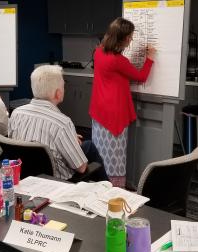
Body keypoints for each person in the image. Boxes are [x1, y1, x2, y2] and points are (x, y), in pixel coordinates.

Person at [9, 64, 108, 182]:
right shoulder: (62, 123)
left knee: (87, 146)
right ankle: (110, 192)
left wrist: (68, 137)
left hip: (25, 177)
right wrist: (68, 136)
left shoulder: (16, 113)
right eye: (63, 87)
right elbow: (81, 168)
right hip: (57, 182)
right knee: (89, 148)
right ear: (58, 93)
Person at [89, 17, 156, 188]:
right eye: (130, 36)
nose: (132, 39)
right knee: (115, 157)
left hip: (99, 111)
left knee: (100, 152)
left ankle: (100, 185)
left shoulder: (98, 52)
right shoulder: (118, 61)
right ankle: (115, 191)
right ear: (124, 38)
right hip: (114, 114)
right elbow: (141, 77)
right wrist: (149, 58)